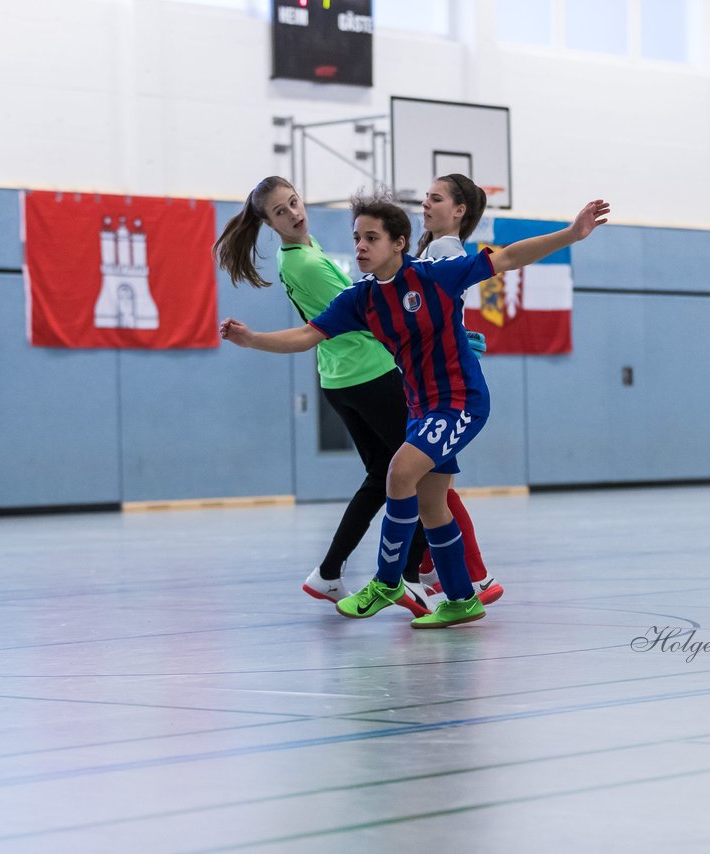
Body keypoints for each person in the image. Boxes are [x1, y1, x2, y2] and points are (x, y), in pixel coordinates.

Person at [219, 189, 611, 628]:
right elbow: (307, 336)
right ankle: (462, 598)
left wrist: (574, 233)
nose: (361, 247)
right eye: (357, 238)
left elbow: (508, 258)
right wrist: (252, 339)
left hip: (461, 401)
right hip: (421, 407)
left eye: (372, 238)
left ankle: (388, 581)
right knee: (432, 505)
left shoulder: (436, 275)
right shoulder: (360, 298)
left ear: (399, 243)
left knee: (399, 472)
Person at [213, 176, 434, 616]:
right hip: (370, 377)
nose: (294, 213)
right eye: (281, 211)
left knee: (380, 478)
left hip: (340, 379)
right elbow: (365, 315)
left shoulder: (297, 254)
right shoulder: (307, 265)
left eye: (294, 202)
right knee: (424, 472)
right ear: (269, 222)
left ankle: (329, 573)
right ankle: (408, 578)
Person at [414, 173, 502, 604]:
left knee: (430, 484)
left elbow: (432, 311)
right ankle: (437, 568)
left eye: (435, 198)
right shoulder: (440, 249)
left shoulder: (441, 249)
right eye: (425, 198)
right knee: (432, 483)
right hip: (436, 378)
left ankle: (473, 577)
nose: (426, 205)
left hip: (441, 385)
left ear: (459, 210)